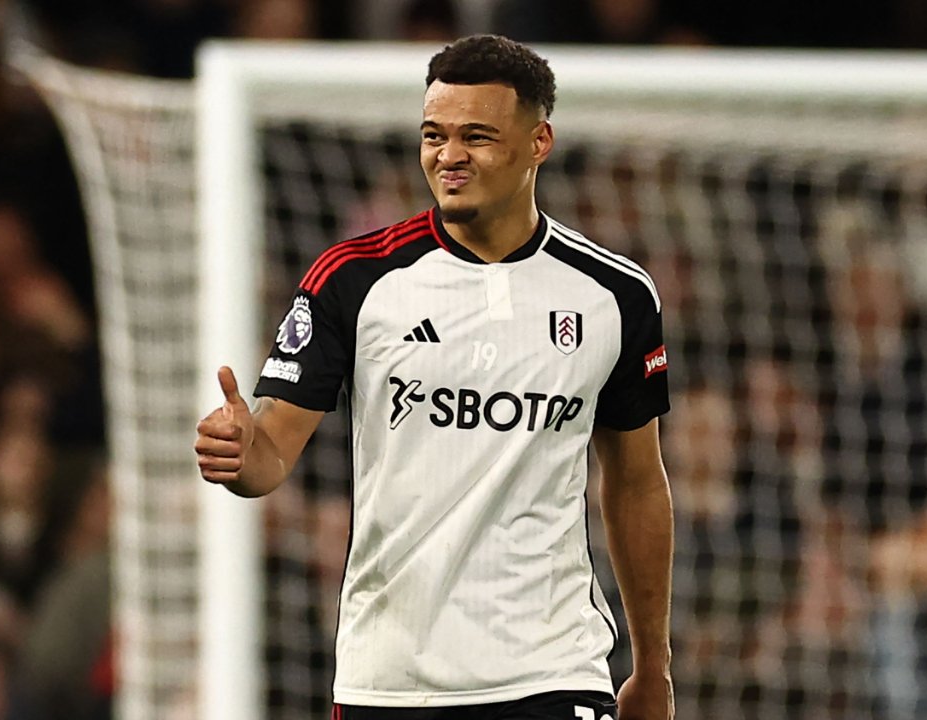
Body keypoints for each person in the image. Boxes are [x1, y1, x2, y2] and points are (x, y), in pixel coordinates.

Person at [196, 35, 674, 720]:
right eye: (434, 135)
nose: (449, 155)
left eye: (476, 136)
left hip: (551, 668)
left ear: (538, 142)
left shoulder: (614, 295)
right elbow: (270, 454)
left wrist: (653, 665)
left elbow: (636, 482)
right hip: (391, 677)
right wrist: (240, 455)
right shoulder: (355, 279)